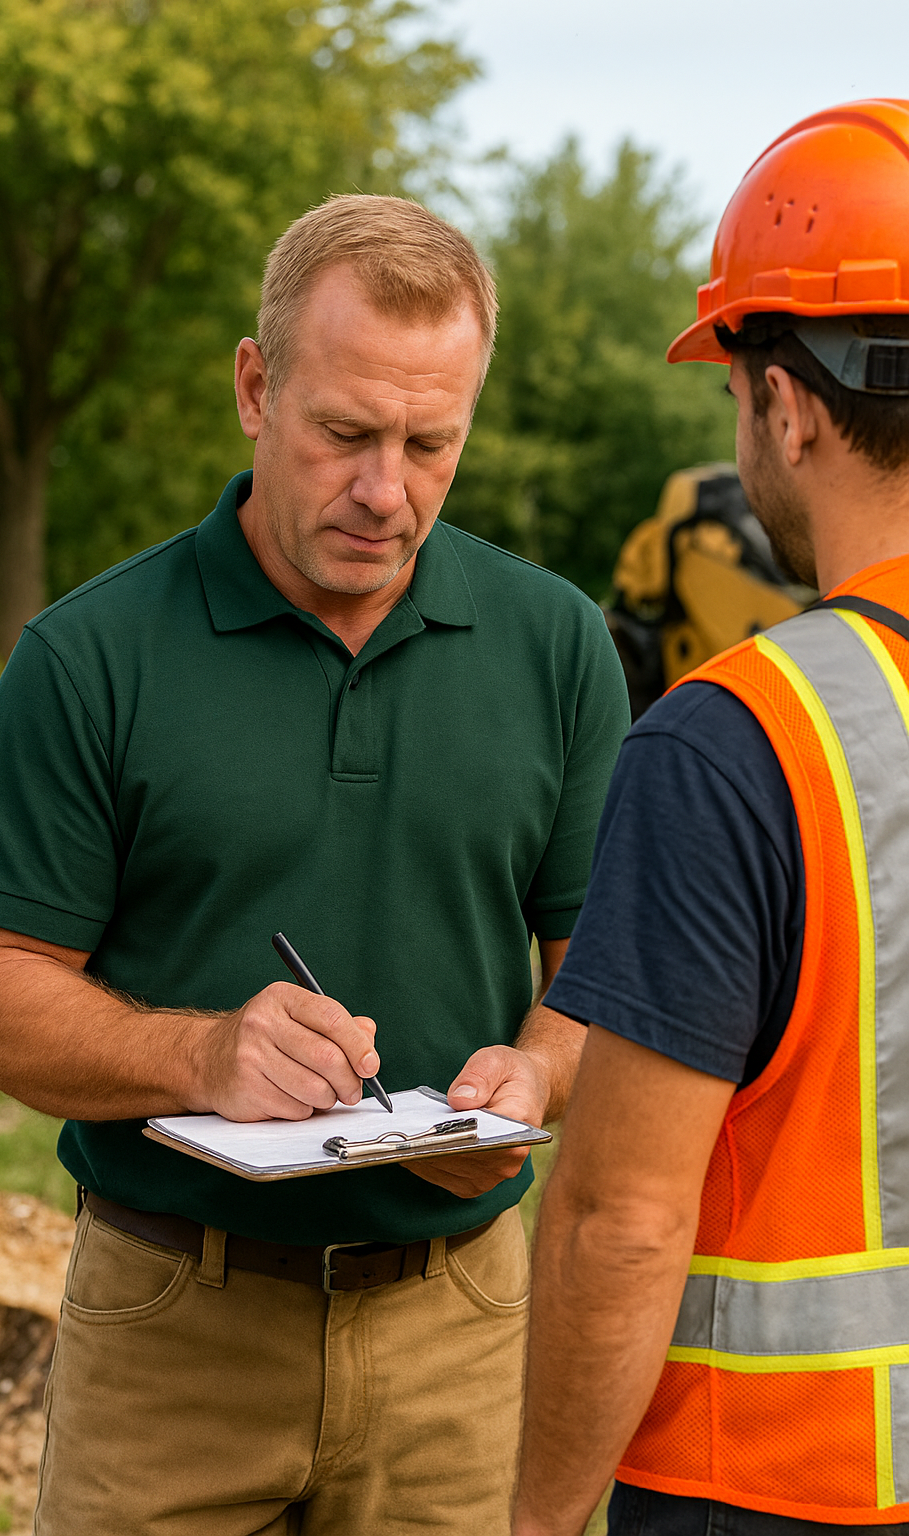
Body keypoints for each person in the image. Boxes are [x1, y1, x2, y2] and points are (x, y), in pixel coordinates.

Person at [0, 193, 629, 1535]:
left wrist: (539, 1071)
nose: (389, 491)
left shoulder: (558, 647)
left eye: (434, 444)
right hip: (170, 1330)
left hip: (464, 1328)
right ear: (258, 389)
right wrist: (198, 1058)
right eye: (346, 434)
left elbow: (596, 975)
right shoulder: (90, 659)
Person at [513, 99, 909, 1536]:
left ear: (787, 404)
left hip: (768, 1485)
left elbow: (621, 1218)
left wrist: (541, 1519)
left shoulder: (736, 739)